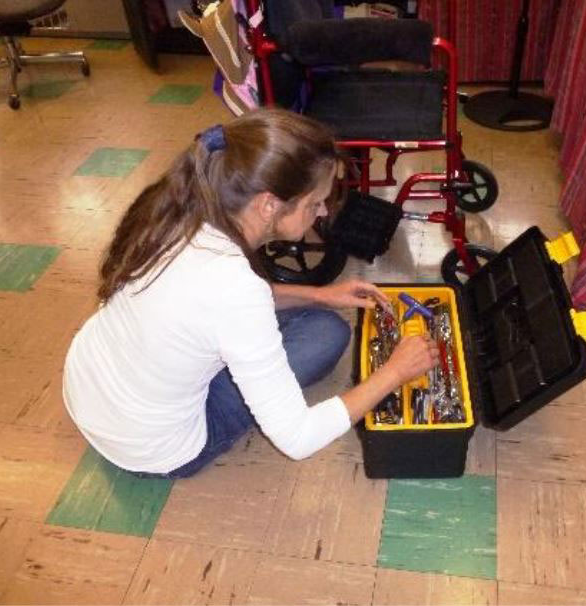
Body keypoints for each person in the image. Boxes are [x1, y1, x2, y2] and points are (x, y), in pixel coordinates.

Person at [62, 108, 439, 478]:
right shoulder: (235, 288)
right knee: (327, 334)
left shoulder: (183, 207)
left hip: (91, 388)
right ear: (268, 205)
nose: (323, 212)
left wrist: (321, 294)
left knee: (322, 323)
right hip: (154, 448)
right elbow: (299, 438)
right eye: (314, 203)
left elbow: (218, 305)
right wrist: (395, 372)